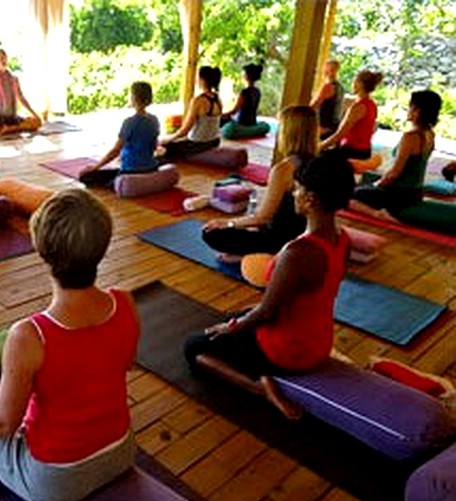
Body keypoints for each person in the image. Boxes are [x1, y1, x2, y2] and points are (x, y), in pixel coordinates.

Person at [0, 189, 139, 501]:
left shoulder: (29, 335)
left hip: (56, 483)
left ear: (41, 251)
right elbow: (124, 364)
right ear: (102, 247)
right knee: (0, 411)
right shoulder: (125, 302)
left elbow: (3, 424)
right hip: (121, 452)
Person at [184, 152, 355, 419]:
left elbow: (267, 314)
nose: (294, 194)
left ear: (310, 199)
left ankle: (258, 387)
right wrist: (240, 319)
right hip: (319, 343)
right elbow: (306, 298)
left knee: (195, 347)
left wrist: (228, 328)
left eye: (297, 189)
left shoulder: (297, 252)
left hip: (288, 353)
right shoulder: (343, 240)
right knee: (238, 317)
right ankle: (256, 365)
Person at [202, 106, 317, 259]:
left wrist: (226, 223)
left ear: (287, 133)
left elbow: (262, 217)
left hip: (279, 242)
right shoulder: (322, 165)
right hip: (308, 240)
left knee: (210, 232)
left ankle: (256, 255)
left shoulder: (284, 169)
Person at [351, 90, 442, 220]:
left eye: (411, 107)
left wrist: (376, 185)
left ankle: (378, 214)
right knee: (364, 183)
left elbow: (394, 174)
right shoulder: (430, 135)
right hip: (416, 193)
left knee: (347, 196)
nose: (408, 110)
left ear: (418, 111)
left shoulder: (410, 137)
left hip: (398, 194)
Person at [80, 82, 160, 187]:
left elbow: (116, 150)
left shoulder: (130, 122)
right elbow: (154, 147)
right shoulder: (154, 120)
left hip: (131, 171)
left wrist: (96, 167)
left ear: (134, 98)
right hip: (151, 168)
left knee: (85, 177)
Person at [160, 66, 223, 159]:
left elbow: (185, 130)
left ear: (202, 80)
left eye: (198, 77)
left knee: (164, 147)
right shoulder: (218, 99)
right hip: (215, 141)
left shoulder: (198, 100)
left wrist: (168, 139)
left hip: (198, 144)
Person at [320, 70, 384, 159]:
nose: (352, 84)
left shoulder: (358, 107)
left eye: (354, 81)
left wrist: (320, 146)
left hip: (351, 152)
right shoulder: (372, 105)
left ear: (361, 84)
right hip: (364, 151)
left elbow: (340, 134)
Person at [0, 49, 42, 136]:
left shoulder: (13, 79)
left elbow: (21, 98)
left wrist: (34, 114)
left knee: (37, 123)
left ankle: (10, 128)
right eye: (0, 58)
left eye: (5, 58)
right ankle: (13, 127)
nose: (3, 61)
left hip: (11, 116)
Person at [220, 63, 271, 139]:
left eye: (243, 73)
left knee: (222, 120)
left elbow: (234, 111)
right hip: (252, 122)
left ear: (247, 76)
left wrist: (222, 115)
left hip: (241, 123)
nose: (242, 75)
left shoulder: (245, 92)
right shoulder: (257, 91)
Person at [310, 59, 345, 139]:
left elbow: (313, 105)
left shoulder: (328, 87)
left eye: (327, 69)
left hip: (323, 128)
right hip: (334, 127)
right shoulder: (340, 87)